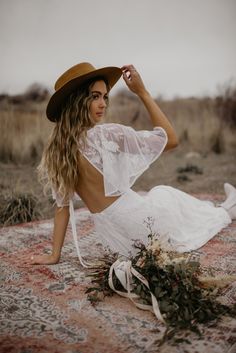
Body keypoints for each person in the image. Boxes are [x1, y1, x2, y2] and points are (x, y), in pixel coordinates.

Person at [30, 62, 236, 266]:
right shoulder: (105, 135)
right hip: (144, 225)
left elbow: (62, 208)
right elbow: (171, 139)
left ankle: (223, 207)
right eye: (95, 97)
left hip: (116, 242)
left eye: (105, 97)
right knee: (164, 193)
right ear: (77, 101)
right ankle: (226, 209)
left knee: (160, 197)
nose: (103, 104)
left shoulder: (57, 151)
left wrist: (54, 255)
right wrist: (142, 92)